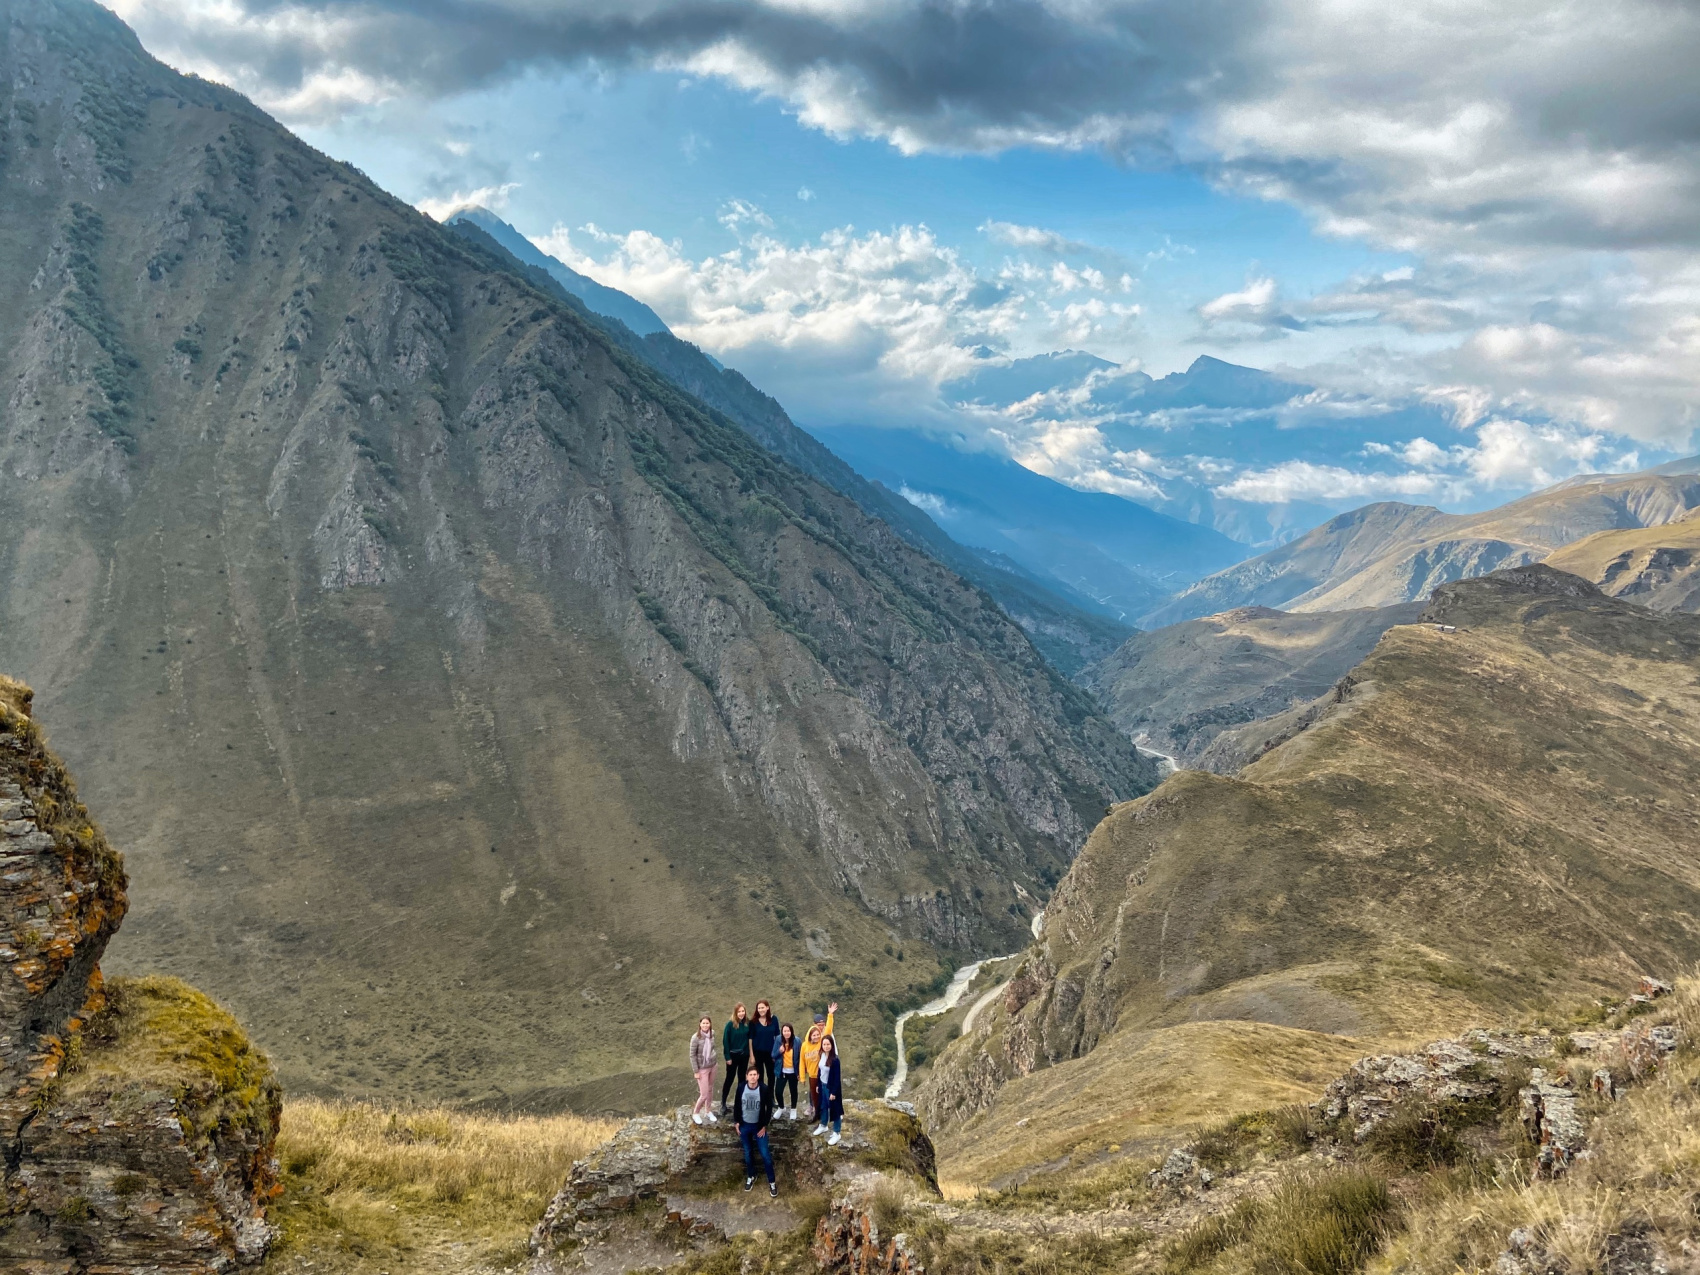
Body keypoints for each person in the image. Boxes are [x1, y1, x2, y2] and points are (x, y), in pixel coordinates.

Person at [735, 1064, 778, 1197]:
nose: (753, 1077)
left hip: (759, 1127)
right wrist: (736, 1122)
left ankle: (772, 1182)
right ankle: (751, 1176)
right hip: (745, 1126)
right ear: (747, 1077)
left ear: (758, 1076)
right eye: (750, 1075)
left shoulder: (764, 1089)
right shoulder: (741, 1087)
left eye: (755, 1075)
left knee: (765, 1155)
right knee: (748, 1154)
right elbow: (737, 1105)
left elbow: (769, 1108)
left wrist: (764, 1125)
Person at [800, 1001, 836, 1121]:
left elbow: (829, 1030)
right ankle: (816, 1112)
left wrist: (830, 1015)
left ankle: (826, 1112)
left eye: (822, 1024)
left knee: (825, 1092)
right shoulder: (805, 1045)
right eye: (818, 1024)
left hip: (823, 1072)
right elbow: (802, 1061)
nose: (821, 1026)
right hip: (812, 1074)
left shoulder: (822, 1040)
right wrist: (802, 1076)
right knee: (813, 1094)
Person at [812, 1033, 844, 1145]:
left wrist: (833, 1092)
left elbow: (836, 1078)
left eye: (828, 1044)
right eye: (824, 1044)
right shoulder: (822, 1055)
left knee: (835, 1110)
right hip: (823, 1085)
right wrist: (817, 1085)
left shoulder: (835, 1060)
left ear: (831, 1045)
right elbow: (820, 1071)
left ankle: (837, 1132)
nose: (826, 1046)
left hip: (831, 1088)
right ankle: (823, 1125)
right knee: (823, 1106)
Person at [720, 1003, 751, 1116]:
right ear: (735, 1013)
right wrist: (727, 1057)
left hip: (744, 1056)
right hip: (732, 1057)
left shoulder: (748, 1024)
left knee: (742, 1080)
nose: (741, 1013)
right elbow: (725, 1041)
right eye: (739, 1012)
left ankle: (739, 1103)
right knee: (729, 1079)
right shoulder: (730, 1025)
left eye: (743, 1011)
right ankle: (723, 1103)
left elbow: (750, 1039)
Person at [689, 1016, 717, 1125]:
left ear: (710, 1024)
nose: (705, 1025)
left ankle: (708, 1111)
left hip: (713, 1065)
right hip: (702, 1069)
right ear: (700, 1025)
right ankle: (696, 1113)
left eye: (707, 1023)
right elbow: (692, 1055)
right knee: (704, 1094)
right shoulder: (695, 1038)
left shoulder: (712, 1034)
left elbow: (712, 1048)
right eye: (703, 1023)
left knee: (710, 1089)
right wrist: (696, 1071)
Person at [772, 1022, 801, 1120]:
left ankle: (793, 1108)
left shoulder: (797, 1041)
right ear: (782, 1032)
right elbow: (773, 1055)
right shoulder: (778, 1040)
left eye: (788, 1031)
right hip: (782, 1071)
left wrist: (800, 1072)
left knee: (793, 1091)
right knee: (778, 1091)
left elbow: (801, 1058)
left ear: (791, 1031)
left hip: (793, 1071)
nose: (786, 1033)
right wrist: (779, 1051)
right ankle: (781, 1107)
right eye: (784, 1031)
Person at [749, 999, 780, 1090]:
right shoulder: (753, 1022)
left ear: (767, 1008)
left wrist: (777, 1053)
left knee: (771, 1075)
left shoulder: (774, 1019)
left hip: (771, 1052)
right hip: (757, 1052)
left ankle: (770, 1097)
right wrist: (751, 1055)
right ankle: (762, 1096)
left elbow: (777, 1036)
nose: (761, 1010)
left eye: (762, 1007)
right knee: (760, 1075)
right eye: (759, 1008)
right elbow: (750, 1039)